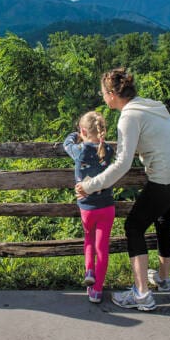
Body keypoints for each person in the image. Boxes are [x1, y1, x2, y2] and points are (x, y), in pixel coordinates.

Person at [75, 68, 170, 311]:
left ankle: (142, 295)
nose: (102, 98)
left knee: (133, 226)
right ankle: (163, 279)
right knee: (163, 220)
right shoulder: (151, 104)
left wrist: (90, 186)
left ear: (112, 94)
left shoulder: (129, 117)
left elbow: (122, 164)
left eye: (103, 93)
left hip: (167, 178)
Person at [63, 111, 116, 304]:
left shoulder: (79, 150)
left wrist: (74, 135)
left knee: (88, 241)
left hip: (86, 207)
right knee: (102, 248)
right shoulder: (108, 150)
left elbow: (66, 144)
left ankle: (89, 271)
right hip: (107, 206)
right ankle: (97, 290)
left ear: (83, 131)